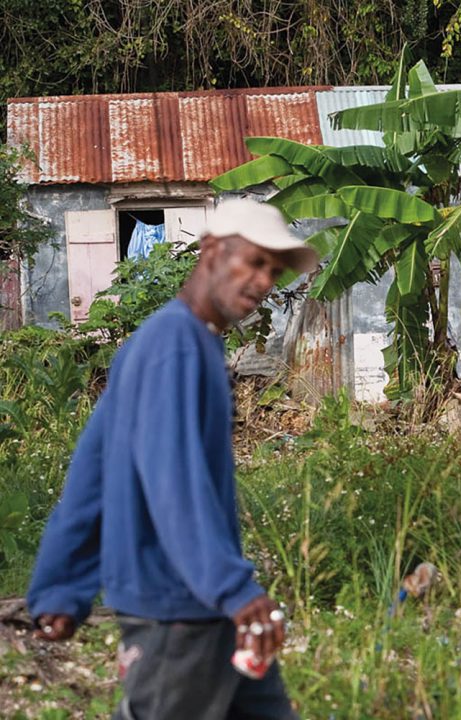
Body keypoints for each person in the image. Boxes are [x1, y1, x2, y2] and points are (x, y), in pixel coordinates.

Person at [26, 198, 317, 720]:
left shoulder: (178, 343)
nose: (262, 281)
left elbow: (95, 470)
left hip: (209, 607)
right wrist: (233, 588)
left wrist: (60, 585)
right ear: (210, 251)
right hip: (177, 611)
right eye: (252, 261)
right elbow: (172, 482)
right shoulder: (174, 347)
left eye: (273, 271)